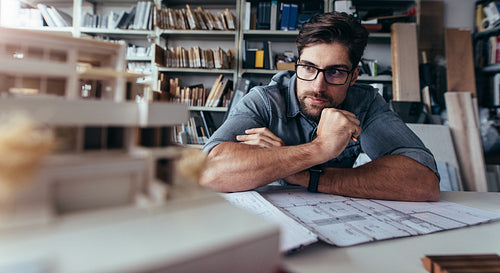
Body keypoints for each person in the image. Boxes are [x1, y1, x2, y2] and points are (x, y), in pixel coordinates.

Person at [200, 12, 440, 202]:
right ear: (296, 65)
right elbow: (208, 172)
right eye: (308, 68)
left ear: (354, 76)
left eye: (335, 71)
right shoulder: (265, 101)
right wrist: (319, 148)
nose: (318, 86)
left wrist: (300, 175)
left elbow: (423, 181)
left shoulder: (364, 102)